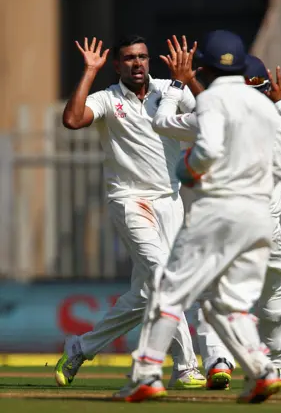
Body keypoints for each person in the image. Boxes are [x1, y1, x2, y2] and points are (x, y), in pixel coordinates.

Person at [113, 30, 281, 403]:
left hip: (218, 211)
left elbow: (205, 150)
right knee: (228, 302)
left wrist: (188, 171)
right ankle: (261, 369)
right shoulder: (265, 106)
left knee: (168, 290)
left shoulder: (211, 100)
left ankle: (146, 373)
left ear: (205, 66)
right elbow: (280, 164)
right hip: (259, 216)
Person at [151, 51, 281, 390]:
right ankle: (276, 363)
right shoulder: (269, 118)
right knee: (274, 285)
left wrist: (178, 85)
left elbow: (163, 121)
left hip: (216, 217)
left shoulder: (208, 116)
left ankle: (216, 361)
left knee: (209, 290)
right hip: (261, 222)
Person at [55, 35, 206, 389]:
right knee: (164, 279)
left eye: (142, 57)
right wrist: (89, 72)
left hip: (170, 200)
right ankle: (186, 365)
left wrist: (190, 79)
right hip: (129, 199)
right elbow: (73, 120)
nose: (137, 64)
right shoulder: (108, 99)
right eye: (129, 59)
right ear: (117, 64)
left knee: (144, 294)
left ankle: (81, 346)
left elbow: (213, 114)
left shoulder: (170, 89)